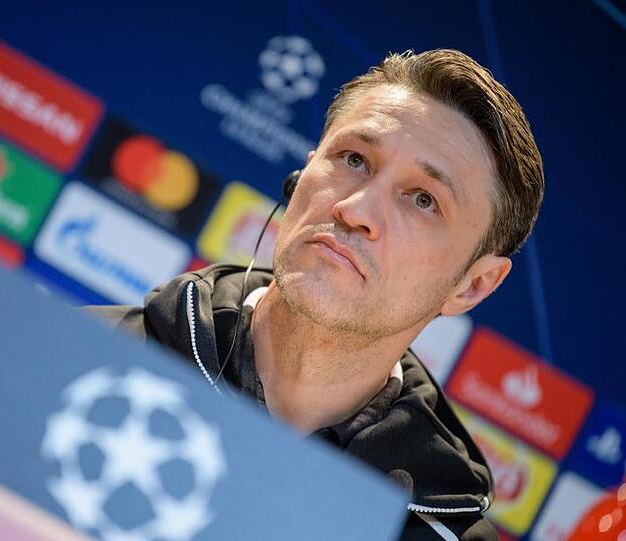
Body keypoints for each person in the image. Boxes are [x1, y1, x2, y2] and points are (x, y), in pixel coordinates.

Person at [86, 48, 544, 540]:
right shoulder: (81, 354)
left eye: (423, 200)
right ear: (301, 177)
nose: (356, 209)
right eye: (354, 160)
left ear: (472, 285)